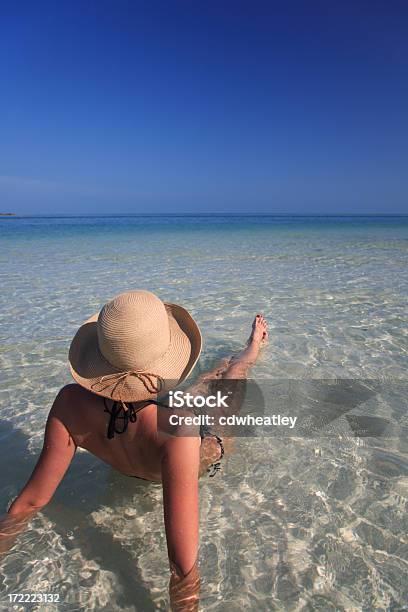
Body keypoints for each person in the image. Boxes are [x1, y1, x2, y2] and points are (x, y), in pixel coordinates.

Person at [1, 290, 268, 610]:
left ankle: (243, 353)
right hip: (203, 447)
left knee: (210, 384)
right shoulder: (179, 431)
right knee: (229, 381)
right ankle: (250, 351)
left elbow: (29, 503)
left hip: (147, 445)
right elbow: (183, 567)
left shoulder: (69, 403)